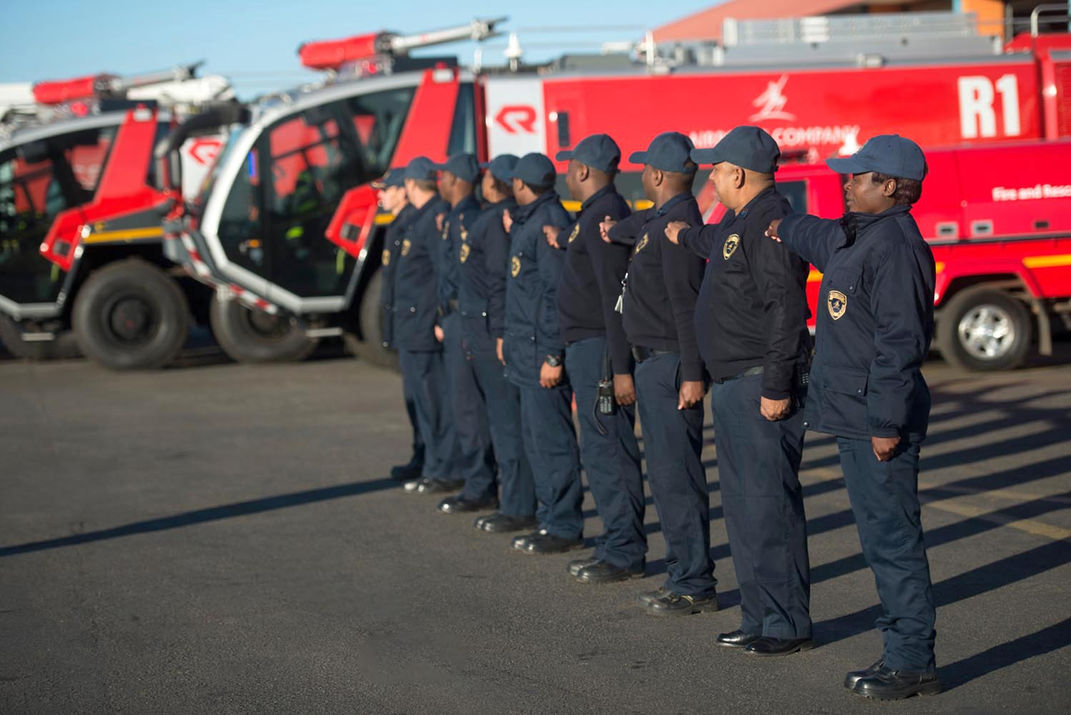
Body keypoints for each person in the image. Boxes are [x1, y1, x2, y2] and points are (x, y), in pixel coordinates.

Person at [766, 135, 940, 700]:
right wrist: (780, 224)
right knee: (878, 538)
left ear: (890, 186)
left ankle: (911, 661)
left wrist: (885, 423)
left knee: (893, 540)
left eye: (858, 176)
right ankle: (902, 653)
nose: (846, 182)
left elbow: (901, 342)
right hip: (853, 416)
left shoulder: (896, 246)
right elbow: (815, 235)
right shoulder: (858, 235)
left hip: (876, 421)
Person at [665, 126, 813, 655]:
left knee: (768, 507)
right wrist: (681, 235)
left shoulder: (771, 222)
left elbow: (786, 310)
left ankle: (785, 624)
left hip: (757, 386)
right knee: (745, 510)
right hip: (732, 384)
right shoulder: (739, 219)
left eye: (717, 169)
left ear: (739, 174)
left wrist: (776, 384)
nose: (710, 177)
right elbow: (713, 243)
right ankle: (759, 617)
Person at [600, 132, 716, 614]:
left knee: (677, 479)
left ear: (659, 176)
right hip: (654, 361)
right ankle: (682, 574)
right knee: (666, 477)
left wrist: (692, 373)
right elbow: (636, 227)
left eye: (646, 167)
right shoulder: (661, 217)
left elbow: (686, 305)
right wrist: (614, 229)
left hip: (670, 363)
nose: (641, 173)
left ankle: (693, 582)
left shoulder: (679, 224)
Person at [546, 134, 645, 584]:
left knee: (609, 450)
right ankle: (612, 543)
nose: (565, 173)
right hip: (588, 348)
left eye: (570, 166)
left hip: (602, 350)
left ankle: (624, 551)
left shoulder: (603, 216)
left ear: (583, 171)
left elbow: (614, 297)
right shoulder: (592, 216)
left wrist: (620, 366)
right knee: (599, 449)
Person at [501, 153, 584, 554]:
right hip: (524, 351)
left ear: (520, 184)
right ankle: (549, 517)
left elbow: (556, 295)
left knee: (552, 443)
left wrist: (553, 354)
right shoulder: (530, 221)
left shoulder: (548, 223)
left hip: (541, 354)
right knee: (536, 441)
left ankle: (563, 525)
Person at [457, 154, 540, 533]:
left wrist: (497, 335)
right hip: (490, 332)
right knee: (505, 422)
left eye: (489, 175)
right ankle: (516, 500)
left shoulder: (494, 222)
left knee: (507, 425)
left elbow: (496, 283)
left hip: (493, 336)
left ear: (498, 183)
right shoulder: (501, 218)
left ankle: (518, 505)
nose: (483, 180)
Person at [432, 153, 498, 514]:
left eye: (444, 176)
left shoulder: (468, 218)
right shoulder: (457, 217)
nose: (439, 182)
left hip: (467, 318)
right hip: (455, 317)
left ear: (456, 180)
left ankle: (480, 484)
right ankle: (478, 479)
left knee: (470, 408)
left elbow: (470, 277)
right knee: (463, 406)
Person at [393, 156, 461, 495]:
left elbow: (441, 273)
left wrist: (438, 317)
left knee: (434, 400)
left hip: (423, 323)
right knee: (423, 399)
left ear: (409, 185)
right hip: (412, 322)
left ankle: (444, 467)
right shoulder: (420, 218)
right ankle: (434, 465)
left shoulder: (433, 218)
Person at [374, 168, 423, 481]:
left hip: (416, 326)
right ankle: (422, 456)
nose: (381, 195)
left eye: (387, 189)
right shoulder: (398, 223)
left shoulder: (412, 224)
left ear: (404, 191)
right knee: (415, 401)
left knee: (425, 401)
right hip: (405, 324)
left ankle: (431, 460)